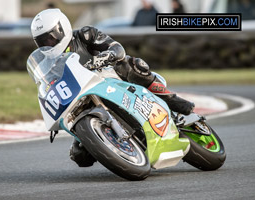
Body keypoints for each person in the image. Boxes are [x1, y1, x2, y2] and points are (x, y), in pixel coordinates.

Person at [30, 9, 195, 167]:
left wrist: (105, 57)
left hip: (110, 76)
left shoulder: (85, 35)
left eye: (50, 38)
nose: (48, 44)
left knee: (133, 65)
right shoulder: (50, 63)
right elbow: (48, 84)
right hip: (85, 100)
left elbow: (117, 49)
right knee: (80, 156)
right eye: (42, 42)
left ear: (62, 28)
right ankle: (120, 147)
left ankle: (170, 99)